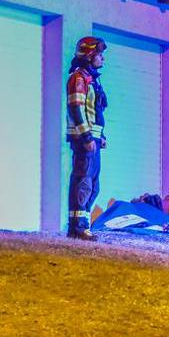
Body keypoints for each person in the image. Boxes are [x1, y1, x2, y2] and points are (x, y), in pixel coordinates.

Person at [66, 36, 108, 239]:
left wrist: (101, 136)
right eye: (99, 55)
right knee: (83, 183)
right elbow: (76, 109)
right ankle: (77, 228)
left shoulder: (92, 79)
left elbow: (95, 111)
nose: (102, 59)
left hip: (94, 140)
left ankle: (84, 225)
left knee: (93, 185)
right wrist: (86, 137)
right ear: (89, 55)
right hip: (85, 141)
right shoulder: (78, 79)